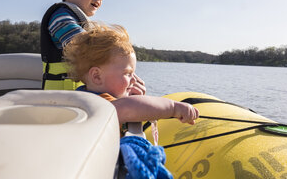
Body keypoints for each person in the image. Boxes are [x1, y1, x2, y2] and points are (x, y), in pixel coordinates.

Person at [63, 23, 199, 129]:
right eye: (127, 73)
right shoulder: (99, 104)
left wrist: (129, 94)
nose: (134, 79)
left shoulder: (86, 94)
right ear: (97, 76)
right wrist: (174, 108)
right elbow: (128, 108)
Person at [40, 0, 145, 94]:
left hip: (77, 97)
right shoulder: (60, 17)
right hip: (58, 102)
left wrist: (128, 80)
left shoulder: (80, 21)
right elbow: (87, 47)